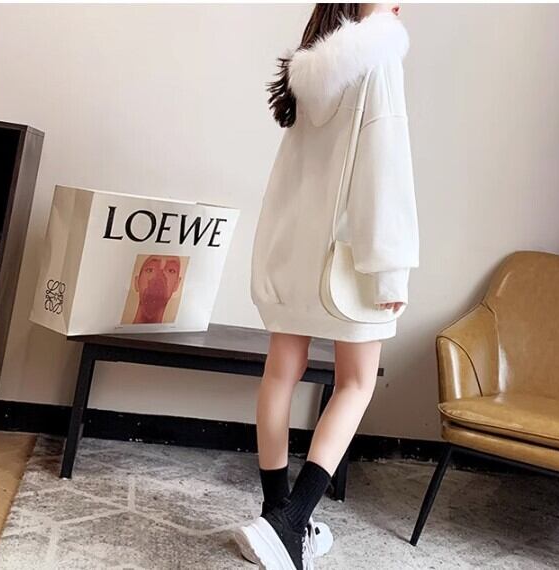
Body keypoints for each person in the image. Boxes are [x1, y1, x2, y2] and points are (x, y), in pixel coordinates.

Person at [234, 3, 419, 569]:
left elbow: (288, 179)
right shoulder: (379, 55)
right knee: (356, 383)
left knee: (280, 374)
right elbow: (385, 170)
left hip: (292, 256)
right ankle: (291, 524)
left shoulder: (309, 68)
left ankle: (275, 515)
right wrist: (390, 268)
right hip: (345, 263)